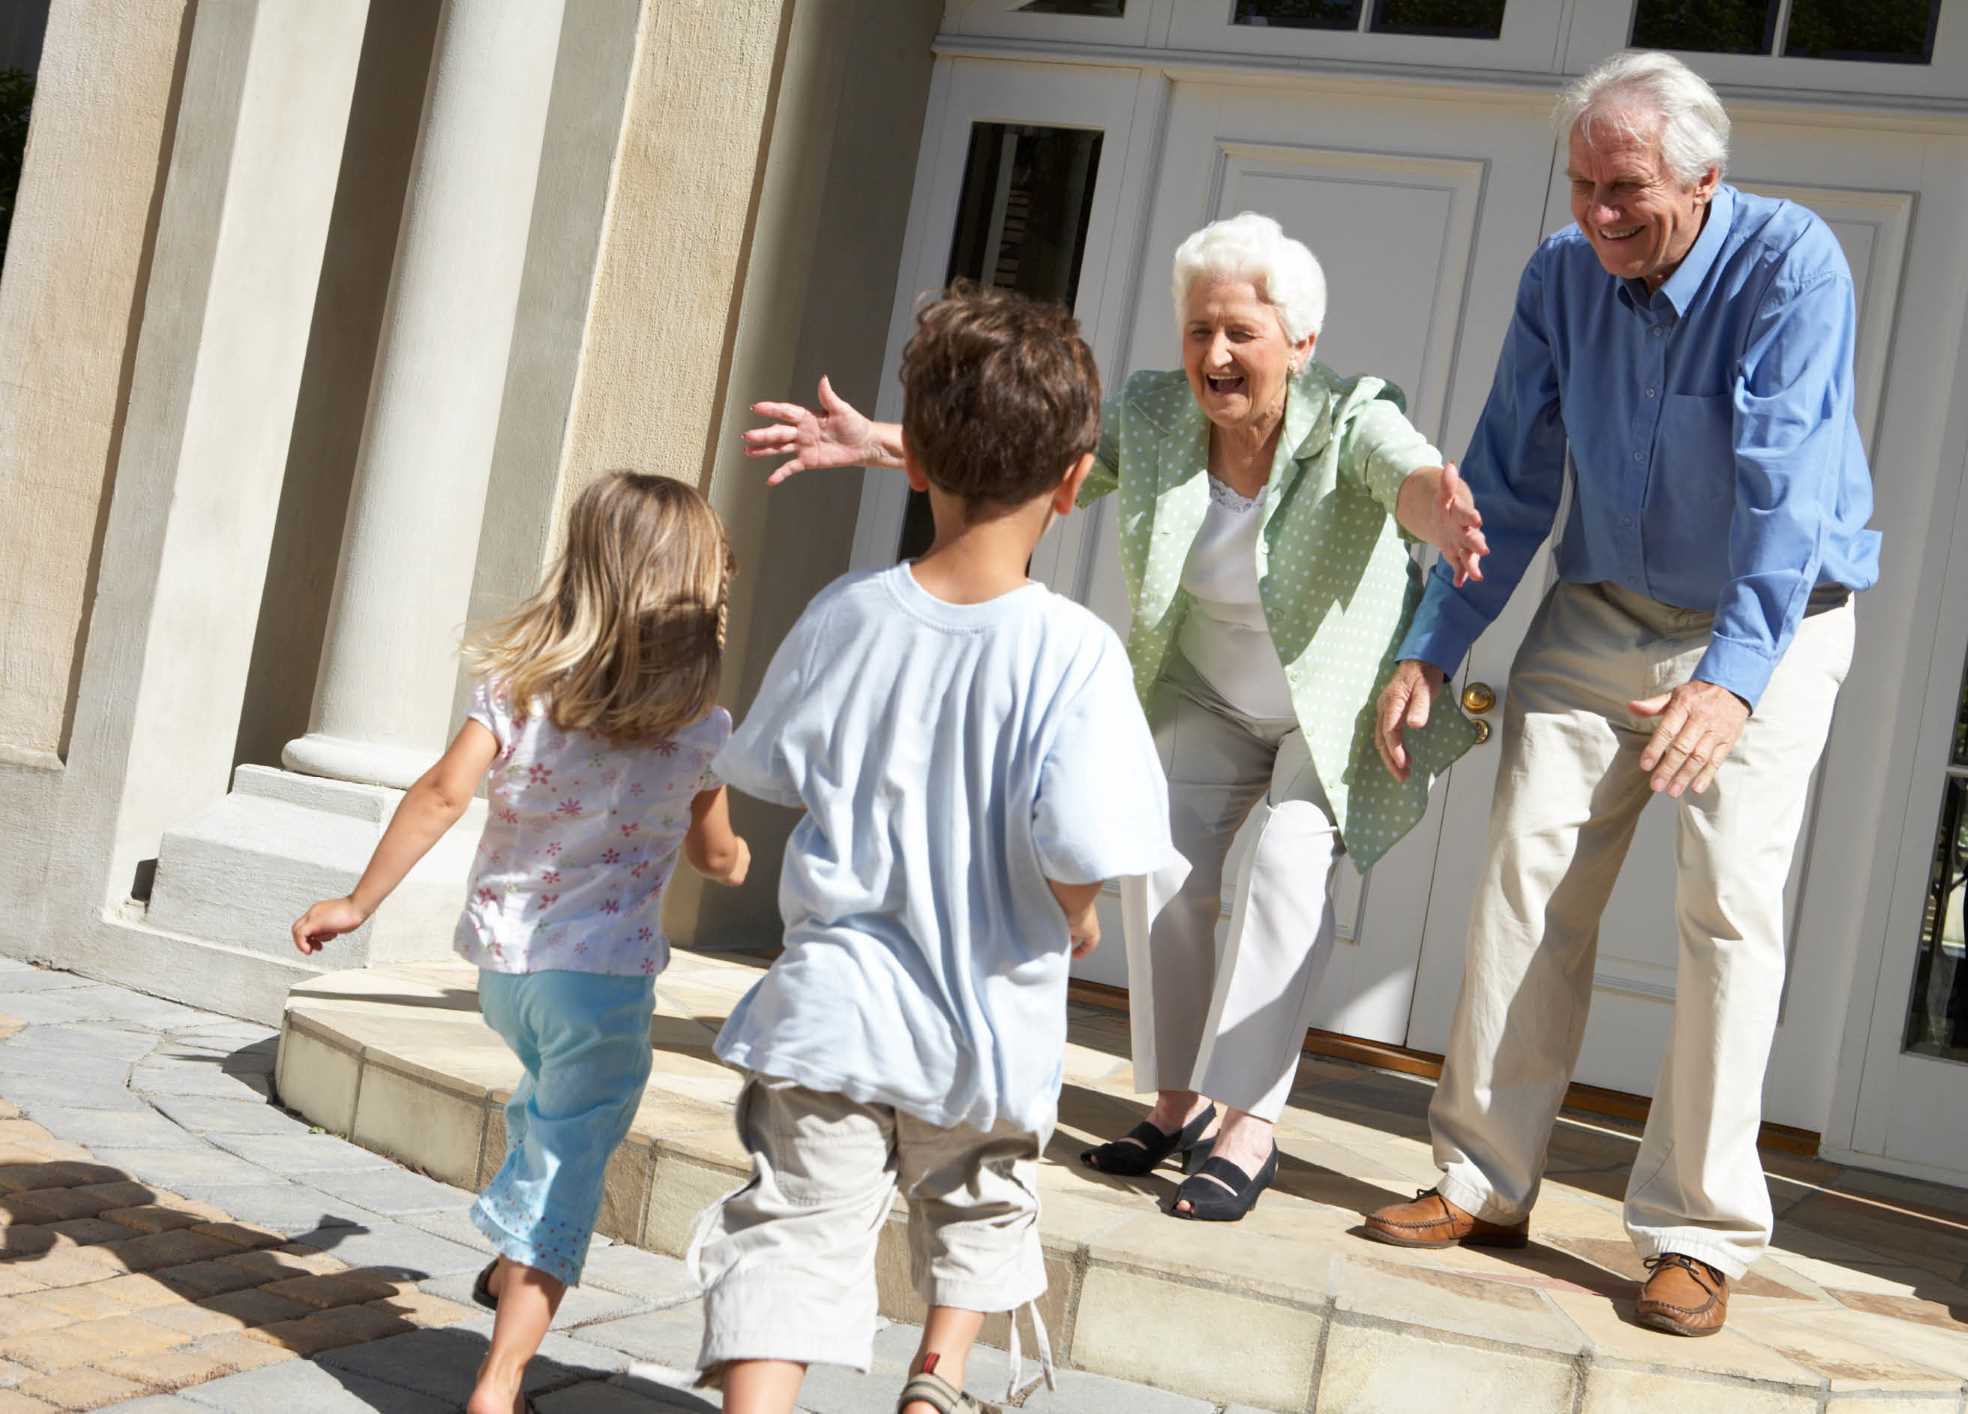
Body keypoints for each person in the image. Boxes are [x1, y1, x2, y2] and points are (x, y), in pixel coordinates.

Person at [745, 213, 1487, 1223]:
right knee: (1164, 865)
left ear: (1300, 344)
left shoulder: (1351, 417)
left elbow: (1403, 474)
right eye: (1196, 332)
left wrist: (1434, 511)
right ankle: (1176, 1100)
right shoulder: (1152, 413)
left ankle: (1247, 1121)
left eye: (1238, 334)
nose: (1212, 356)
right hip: (1206, 689)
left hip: (1328, 709)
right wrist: (882, 441)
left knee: (1281, 866)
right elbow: (1029, 456)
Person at [1362, 50, 1882, 1339]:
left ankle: (1697, 1230)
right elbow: (1509, 472)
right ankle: (1481, 1178)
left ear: (1705, 180)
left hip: (1773, 617)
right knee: (1525, 878)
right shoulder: (1558, 275)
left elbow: (1783, 486)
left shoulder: (1790, 264)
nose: (1597, 213)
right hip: (1600, 610)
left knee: (1724, 908)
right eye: (1582, 183)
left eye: (1626, 188)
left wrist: (1734, 680)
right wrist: (1437, 641)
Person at [689, 283, 1176, 1414]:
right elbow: (1079, 842)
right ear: (1071, 483)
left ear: (913, 464)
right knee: (979, 1200)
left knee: (792, 1230)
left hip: (832, 1010)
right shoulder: (1076, 652)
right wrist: (1079, 906)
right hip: (982, 1023)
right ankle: (937, 1378)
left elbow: (756, 768)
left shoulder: (845, 613)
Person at [291, 472, 749, 1414]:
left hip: (505, 972)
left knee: (545, 1108)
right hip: (605, 985)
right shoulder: (701, 729)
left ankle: (506, 1276)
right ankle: (499, 1383)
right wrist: (739, 855)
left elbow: (439, 794)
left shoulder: (519, 691)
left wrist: (358, 901)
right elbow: (717, 856)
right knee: (569, 1172)